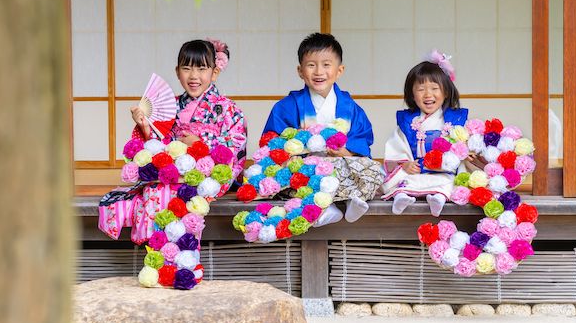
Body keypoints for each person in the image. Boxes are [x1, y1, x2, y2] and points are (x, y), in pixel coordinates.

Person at [99, 38, 247, 245]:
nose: (194, 76)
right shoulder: (172, 105)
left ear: (214, 72)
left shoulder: (229, 109)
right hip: (173, 172)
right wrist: (146, 127)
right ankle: (157, 250)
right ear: (177, 72)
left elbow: (236, 146)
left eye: (202, 69)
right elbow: (159, 144)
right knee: (154, 191)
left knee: (187, 197)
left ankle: (183, 257)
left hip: (205, 173)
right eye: (187, 68)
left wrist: (200, 143)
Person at [262, 33, 385, 226]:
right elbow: (273, 141)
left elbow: (362, 136)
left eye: (326, 65)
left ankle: (349, 201)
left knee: (375, 170)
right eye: (311, 65)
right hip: (306, 170)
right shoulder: (286, 106)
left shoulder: (350, 107)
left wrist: (346, 152)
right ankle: (328, 206)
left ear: (339, 70)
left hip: (340, 166)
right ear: (300, 71)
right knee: (288, 175)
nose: (319, 71)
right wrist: (290, 156)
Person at [380, 49, 471, 217]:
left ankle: (438, 200)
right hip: (417, 169)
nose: (428, 94)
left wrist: (467, 152)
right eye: (421, 89)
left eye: (434, 88)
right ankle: (401, 198)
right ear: (412, 95)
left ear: (446, 92)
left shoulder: (457, 121)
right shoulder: (408, 122)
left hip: (444, 171)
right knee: (406, 182)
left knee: (448, 184)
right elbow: (397, 146)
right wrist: (405, 164)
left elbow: (465, 145)